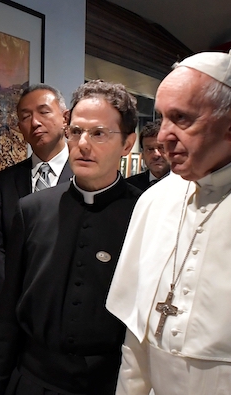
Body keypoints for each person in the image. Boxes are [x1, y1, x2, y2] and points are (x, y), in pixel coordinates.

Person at [0, 80, 142, 395]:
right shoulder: (32, 210)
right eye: (77, 131)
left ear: (127, 144)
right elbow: (8, 316)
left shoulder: (145, 214)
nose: (83, 144)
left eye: (98, 134)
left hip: (107, 385)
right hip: (33, 381)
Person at [106, 50, 231, 394]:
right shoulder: (154, 200)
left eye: (182, 119)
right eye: (162, 118)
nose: (162, 137)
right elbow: (136, 341)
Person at [0, 84, 74, 296]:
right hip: (18, 313)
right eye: (26, 117)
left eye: (44, 112)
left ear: (65, 118)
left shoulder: (86, 177)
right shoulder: (5, 182)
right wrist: (12, 301)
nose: (35, 122)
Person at [127, 120, 170, 191]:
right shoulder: (129, 187)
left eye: (161, 147)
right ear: (143, 154)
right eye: (150, 149)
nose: (156, 155)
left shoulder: (186, 185)